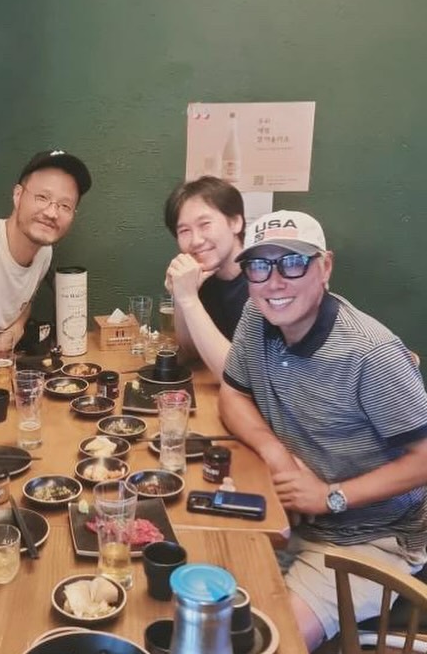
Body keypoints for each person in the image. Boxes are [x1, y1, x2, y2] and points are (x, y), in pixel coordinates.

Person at [219, 210, 427, 651]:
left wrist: (330, 496)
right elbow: (232, 394)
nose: (274, 282)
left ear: (325, 267)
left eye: (293, 263)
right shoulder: (257, 317)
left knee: (265, 643)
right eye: (259, 266)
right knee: (190, 594)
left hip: (371, 539)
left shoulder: (370, 353)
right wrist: (277, 456)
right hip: (288, 515)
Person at [0, 149, 91, 361]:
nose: (51, 213)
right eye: (42, 197)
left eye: (65, 206)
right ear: (18, 195)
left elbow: (25, 299)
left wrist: (16, 327)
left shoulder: (44, 252)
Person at [163, 176, 247, 377]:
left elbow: (238, 376)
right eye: (184, 230)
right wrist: (182, 295)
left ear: (235, 222)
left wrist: (189, 299)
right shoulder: (202, 275)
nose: (196, 241)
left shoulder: (265, 281)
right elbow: (191, 350)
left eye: (205, 224)